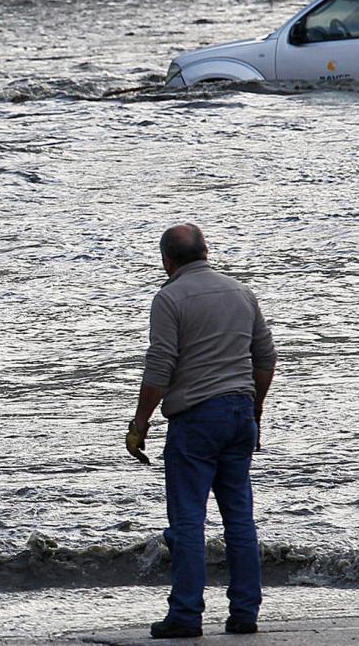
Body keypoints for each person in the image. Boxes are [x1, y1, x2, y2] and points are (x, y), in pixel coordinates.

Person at [125, 224, 276, 639]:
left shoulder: (169, 298)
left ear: (167, 260)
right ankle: (245, 612)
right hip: (240, 413)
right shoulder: (242, 293)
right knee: (240, 519)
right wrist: (255, 409)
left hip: (196, 420)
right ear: (207, 251)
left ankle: (187, 614)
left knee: (188, 520)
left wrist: (140, 424)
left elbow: (159, 367)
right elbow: (265, 357)